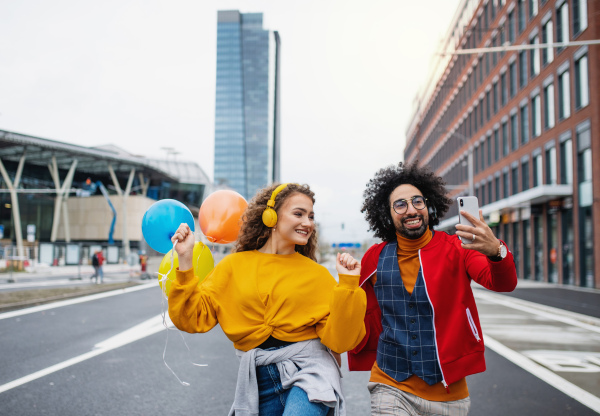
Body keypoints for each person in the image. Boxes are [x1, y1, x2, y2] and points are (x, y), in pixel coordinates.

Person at [168, 183, 367, 416]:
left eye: (311, 216)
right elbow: (191, 319)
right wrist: (185, 259)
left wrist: (348, 285)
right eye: (299, 213)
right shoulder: (232, 267)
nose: (308, 222)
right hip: (256, 381)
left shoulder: (318, 275)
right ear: (270, 215)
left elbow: (341, 342)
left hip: (311, 373)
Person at [347, 162, 517, 416]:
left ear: (428, 205)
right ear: (388, 213)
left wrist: (496, 251)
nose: (411, 210)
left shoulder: (458, 249)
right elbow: (349, 308)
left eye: (417, 201)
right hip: (390, 383)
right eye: (400, 204)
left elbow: (504, 283)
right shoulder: (374, 257)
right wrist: (346, 279)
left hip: (449, 394)